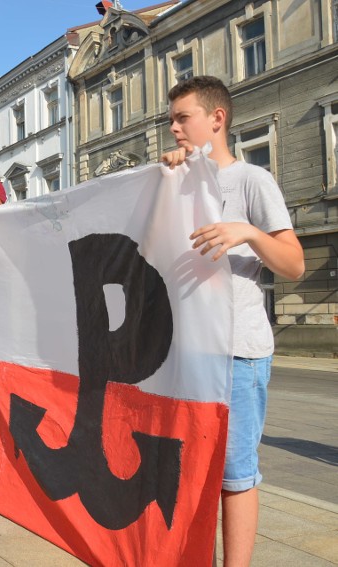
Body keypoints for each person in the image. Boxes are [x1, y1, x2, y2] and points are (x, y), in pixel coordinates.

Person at [161, 75, 304, 567]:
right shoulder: (176, 181)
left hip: (238, 351)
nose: (173, 128)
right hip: (185, 348)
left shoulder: (251, 181)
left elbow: (294, 264)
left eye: (183, 118)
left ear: (217, 119)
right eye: (172, 119)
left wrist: (246, 231)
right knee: (189, 469)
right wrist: (167, 178)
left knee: (235, 474)